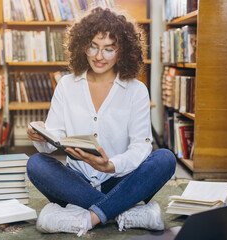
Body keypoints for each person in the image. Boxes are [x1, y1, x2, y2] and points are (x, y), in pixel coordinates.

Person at [26, 7, 176, 237]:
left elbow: (140, 147)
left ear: (122, 51)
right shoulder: (67, 85)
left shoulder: (136, 90)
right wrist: (40, 136)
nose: (98, 56)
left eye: (109, 49)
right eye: (93, 46)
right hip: (77, 181)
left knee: (164, 159)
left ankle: (89, 216)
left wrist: (111, 166)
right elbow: (52, 140)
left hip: (119, 180)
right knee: (36, 164)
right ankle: (123, 212)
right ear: (81, 45)